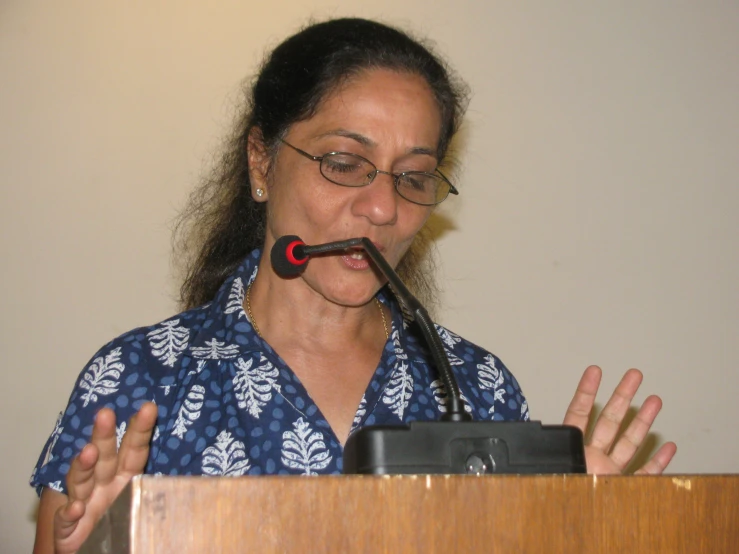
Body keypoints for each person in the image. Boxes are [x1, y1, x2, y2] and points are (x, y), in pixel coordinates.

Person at [30, 17, 677, 554]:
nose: (381, 209)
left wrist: (576, 532)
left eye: (413, 176)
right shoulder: (140, 378)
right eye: (344, 164)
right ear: (261, 161)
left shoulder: (475, 388)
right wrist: (93, 547)